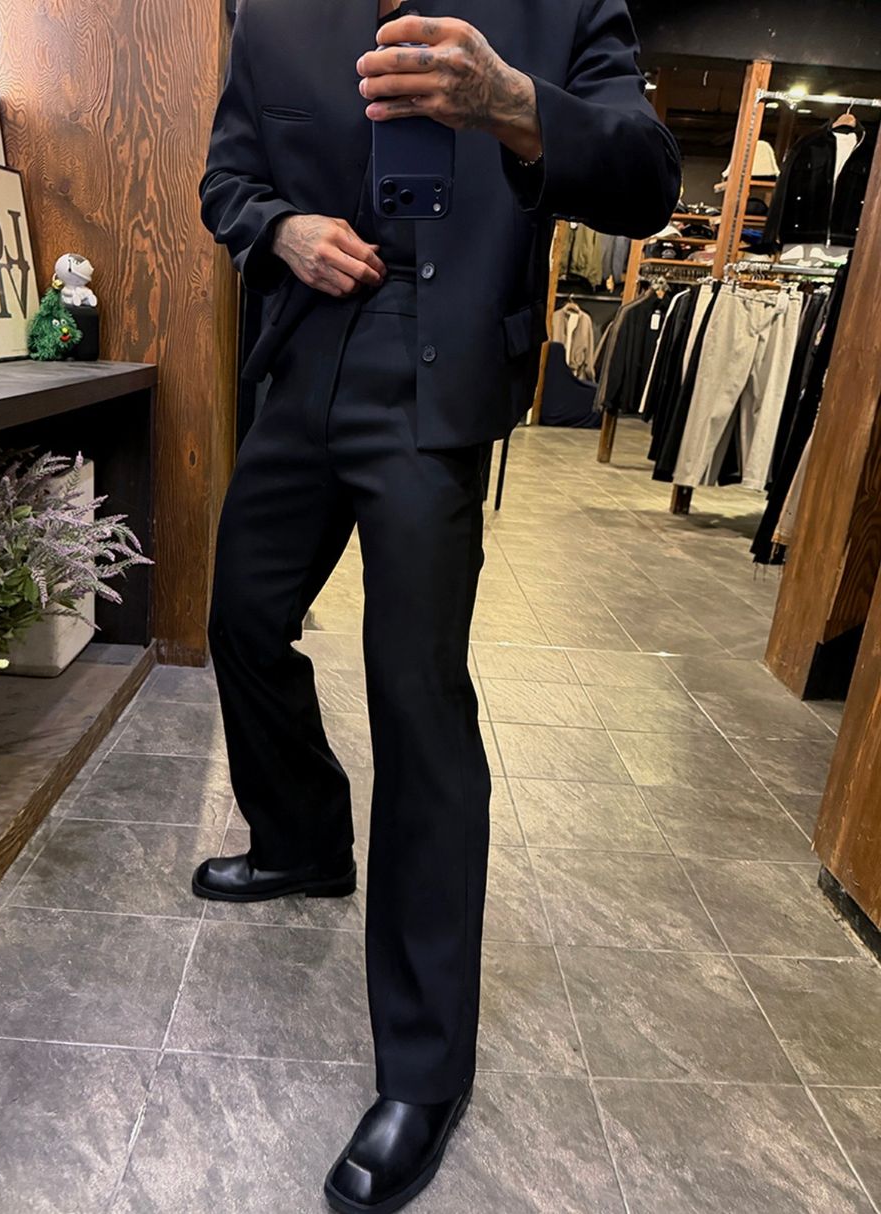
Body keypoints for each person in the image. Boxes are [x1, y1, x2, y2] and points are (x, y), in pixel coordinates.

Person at [194, 2, 680, 1210]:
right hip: (305, 350)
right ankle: (304, 841)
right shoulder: (277, 14)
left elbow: (645, 179)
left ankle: (423, 1068)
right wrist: (282, 229)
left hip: (438, 366)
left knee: (415, 694)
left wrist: (513, 105)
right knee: (242, 615)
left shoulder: (556, 7)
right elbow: (225, 179)